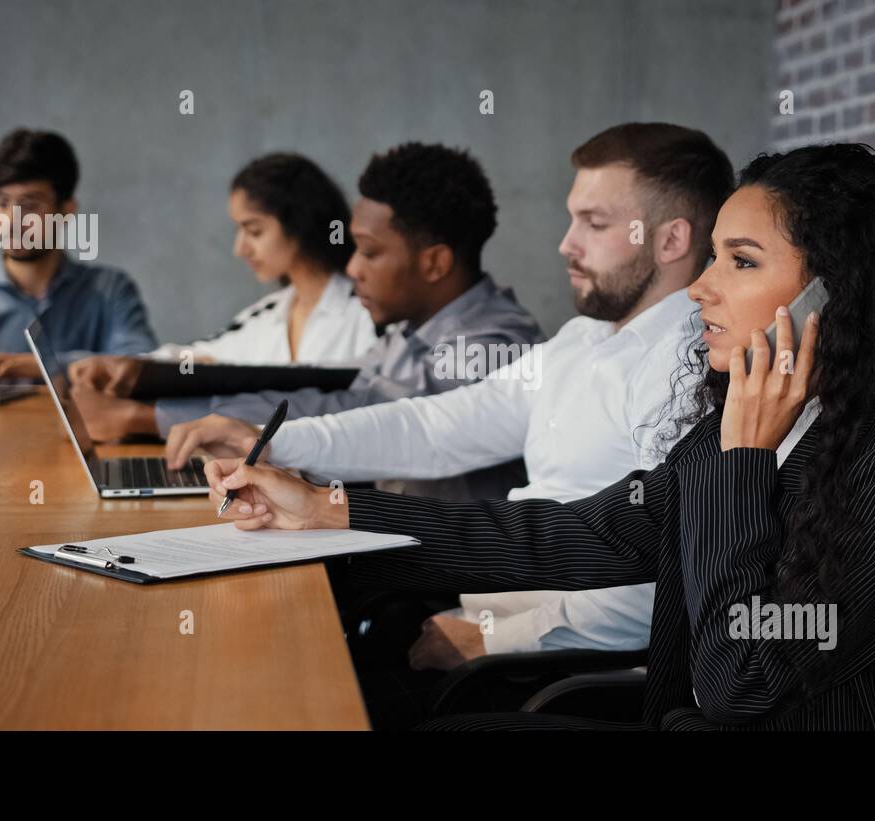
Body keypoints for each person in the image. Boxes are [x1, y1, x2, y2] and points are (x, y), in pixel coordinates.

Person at [202, 143, 875, 731]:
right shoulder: (746, 434)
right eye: (711, 257)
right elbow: (570, 533)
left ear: (833, 296)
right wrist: (325, 512)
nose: (702, 288)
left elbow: (737, 683)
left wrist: (741, 463)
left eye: (740, 261)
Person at [164, 124, 734, 725]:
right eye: (572, 220)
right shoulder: (586, 338)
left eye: (594, 224)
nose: (565, 244)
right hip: (488, 617)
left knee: (283, 703)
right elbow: (435, 427)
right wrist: (275, 442)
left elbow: (654, 581)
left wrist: (498, 639)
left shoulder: (688, 364)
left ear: (670, 239)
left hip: (552, 671)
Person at [77, 142, 546, 500]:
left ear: (435, 263)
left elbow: (386, 426)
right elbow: (333, 399)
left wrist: (155, 419)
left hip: (442, 586)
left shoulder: (495, 346)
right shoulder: (409, 333)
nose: (354, 267)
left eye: (370, 252)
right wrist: (203, 422)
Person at [68, 153, 375, 394]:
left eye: (253, 231)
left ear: (301, 223)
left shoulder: (366, 313)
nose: (240, 248)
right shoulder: (266, 315)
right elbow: (199, 357)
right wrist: (118, 365)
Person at [0, 128, 157, 381]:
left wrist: (36, 365)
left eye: (30, 206)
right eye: (2, 203)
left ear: (66, 210)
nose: (13, 221)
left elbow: (138, 367)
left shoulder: (109, 291)